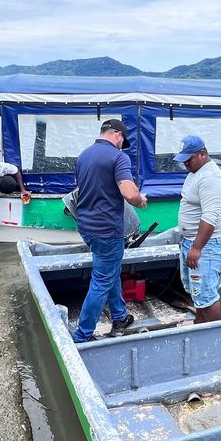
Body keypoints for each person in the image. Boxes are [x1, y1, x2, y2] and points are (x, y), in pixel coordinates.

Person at [71, 119, 147, 342]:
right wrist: (141, 201)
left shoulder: (83, 155)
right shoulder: (118, 157)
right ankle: (82, 335)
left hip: (87, 226)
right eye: (122, 140)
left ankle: (120, 316)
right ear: (118, 135)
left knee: (109, 270)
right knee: (102, 280)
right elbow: (129, 193)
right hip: (107, 229)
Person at [174, 135, 221, 324]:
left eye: (189, 159)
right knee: (198, 294)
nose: (185, 164)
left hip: (207, 246)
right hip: (193, 242)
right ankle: (199, 325)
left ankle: (210, 337)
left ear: (203, 154)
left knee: (206, 296)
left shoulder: (211, 178)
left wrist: (196, 248)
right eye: (183, 160)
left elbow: (210, 217)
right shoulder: (196, 172)